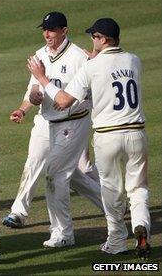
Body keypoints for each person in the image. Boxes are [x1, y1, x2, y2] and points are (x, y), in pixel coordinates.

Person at [28, 17, 151, 259]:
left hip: (108, 136)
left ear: (103, 39)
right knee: (138, 188)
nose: (91, 40)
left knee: (111, 189)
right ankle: (142, 225)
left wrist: (42, 78)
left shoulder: (90, 67)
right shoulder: (134, 60)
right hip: (137, 133)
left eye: (94, 37)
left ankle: (117, 241)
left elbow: (63, 101)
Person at [2, 12, 104, 231]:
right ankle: (18, 212)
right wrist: (25, 106)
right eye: (44, 30)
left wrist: (68, 101)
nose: (47, 34)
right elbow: (34, 90)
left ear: (64, 31)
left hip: (73, 123)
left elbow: (91, 92)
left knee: (59, 172)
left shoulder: (78, 57)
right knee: (36, 164)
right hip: (45, 120)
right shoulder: (39, 55)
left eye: (52, 30)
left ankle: (109, 206)